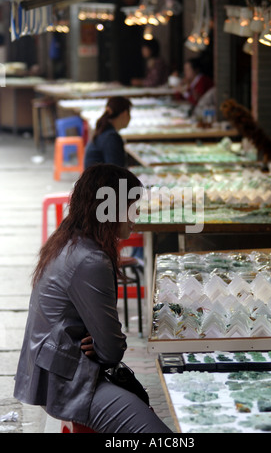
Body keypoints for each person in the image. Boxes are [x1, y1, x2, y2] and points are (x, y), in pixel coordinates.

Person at [14, 164, 173, 433]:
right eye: (132, 207)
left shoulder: (70, 238)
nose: (136, 215)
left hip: (53, 369)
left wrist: (97, 340)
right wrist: (101, 344)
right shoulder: (91, 259)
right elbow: (111, 350)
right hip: (68, 380)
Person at [84, 96, 132, 169]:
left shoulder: (104, 132)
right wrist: (125, 181)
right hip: (99, 179)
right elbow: (118, 172)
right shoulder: (111, 138)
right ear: (125, 114)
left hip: (95, 179)